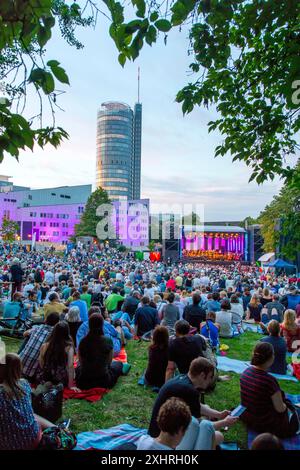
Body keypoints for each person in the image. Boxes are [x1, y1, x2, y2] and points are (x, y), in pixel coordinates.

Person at [148, 357, 238, 449]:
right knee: (218, 436)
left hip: (158, 430)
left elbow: (197, 406)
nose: (210, 381)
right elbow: (200, 425)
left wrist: (219, 414)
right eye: (210, 377)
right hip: (167, 437)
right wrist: (224, 422)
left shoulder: (182, 378)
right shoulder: (190, 391)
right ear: (202, 375)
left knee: (213, 430)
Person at [240, 342, 299, 437]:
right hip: (264, 423)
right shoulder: (269, 381)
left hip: (248, 417)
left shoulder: (246, 372)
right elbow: (280, 409)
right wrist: (287, 405)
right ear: (271, 357)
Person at [0, 353, 54, 450]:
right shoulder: (25, 384)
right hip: (35, 439)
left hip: (10, 446)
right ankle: (57, 428)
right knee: (32, 415)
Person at [75, 314, 124, 389]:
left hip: (83, 381)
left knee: (78, 367)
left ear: (89, 325)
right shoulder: (107, 341)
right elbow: (109, 363)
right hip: (104, 380)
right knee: (119, 364)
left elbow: (80, 362)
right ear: (102, 324)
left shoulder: (83, 342)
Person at [19, 312, 60, 382]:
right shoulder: (54, 335)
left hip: (19, 365)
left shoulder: (37, 328)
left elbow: (24, 333)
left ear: (45, 320)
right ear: (57, 323)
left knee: (27, 337)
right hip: (32, 373)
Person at [36, 321, 77, 389]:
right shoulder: (69, 347)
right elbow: (70, 366)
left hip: (45, 377)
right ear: (67, 332)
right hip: (60, 378)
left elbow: (41, 362)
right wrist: (71, 385)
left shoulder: (45, 345)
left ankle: (49, 383)